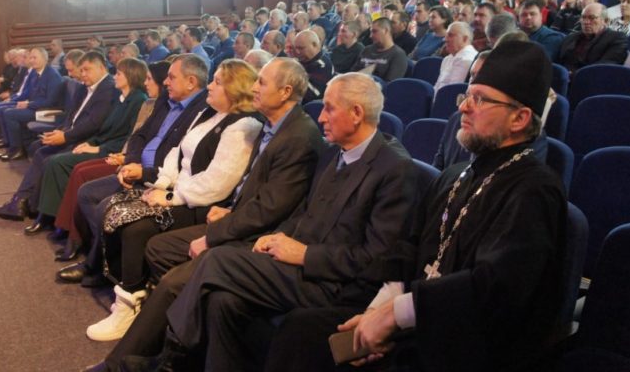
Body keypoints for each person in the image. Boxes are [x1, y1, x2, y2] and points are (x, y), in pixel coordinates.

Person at [267, 41, 567, 372]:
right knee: (301, 331)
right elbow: (408, 248)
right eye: (466, 96)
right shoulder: (455, 175)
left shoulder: (534, 189)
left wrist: (395, 315)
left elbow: (495, 289)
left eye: (480, 99)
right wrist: (378, 312)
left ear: (519, 118)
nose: (464, 108)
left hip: (463, 342)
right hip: (416, 320)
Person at [122, 72, 419, 372]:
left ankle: (171, 360)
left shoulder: (395, 168)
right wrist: (278, 237)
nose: (321, 118)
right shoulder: (334, 153)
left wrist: (305, 254)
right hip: (299, 266)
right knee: (223, 300)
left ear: (356, 113)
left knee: (216, 260)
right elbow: (305, 212)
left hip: (335, 283)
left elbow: (377, 259)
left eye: (329, 109)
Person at [82, 58, 326, 370]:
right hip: (235, 216)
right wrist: (228, 209)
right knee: (158, 248)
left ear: (285, 91)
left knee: (173, 279)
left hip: (260, 236)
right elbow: (252, 190)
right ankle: (172, 340)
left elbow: (269, 210)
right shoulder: (273, 125)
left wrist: (214, 234)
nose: (254, 87)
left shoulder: (298, 137)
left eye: (262, 82)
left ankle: (128, 363)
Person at [86, 59, 263, 342]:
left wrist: (170, 197)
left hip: (201, 205)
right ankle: (131, 287)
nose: (209, 85)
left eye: (217, 82)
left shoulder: (244, 125)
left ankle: (129, 304)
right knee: (114, 207)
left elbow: (217, 184)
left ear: (235, 89)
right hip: (179, 191)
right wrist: (160, 182)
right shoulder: (210, 112)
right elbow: (176, 155)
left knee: (135, 226)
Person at [55, 54, 208, 287]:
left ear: (191, 82)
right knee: (87, 192)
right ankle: (109, 258)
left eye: (171, 77)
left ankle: (97, 264)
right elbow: (139, 135)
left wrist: (144, 172)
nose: (165, 82)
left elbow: (179, 159)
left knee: (105, 205)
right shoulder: (167, 100)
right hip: (137, 167)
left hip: (159, 177)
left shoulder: (202, 110)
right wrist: (131, 162)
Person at [50, 62, 170, 262]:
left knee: (81, 173)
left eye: (119, 73)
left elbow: (131, 138)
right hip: (123, 154)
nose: (114, 77)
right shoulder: (143, 102)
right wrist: (97, 145)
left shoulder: (142, 101)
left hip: (130, 160)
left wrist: (119, 155)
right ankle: (72, 232)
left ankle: (80, 239)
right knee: (78, 169)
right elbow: (132, 136)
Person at [0, 51, 117, 221]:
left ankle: (26, 204)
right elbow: (72, 115)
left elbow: (94, 124)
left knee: (46, 155)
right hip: (74, 134)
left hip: (88, 141)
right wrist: (61, 130)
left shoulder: (108, 89)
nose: (82, 74)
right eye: (81, 70)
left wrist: (65, 136)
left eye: (87, 70)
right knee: (39, 148)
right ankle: (23, 202)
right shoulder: (84, 87)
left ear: (102, 68)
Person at [28, 58, 149, 236]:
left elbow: (126, 138)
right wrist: (90, 143)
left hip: (113, 152)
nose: (114, 76)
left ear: (131, 76)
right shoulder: (121, 98)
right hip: (102, 145)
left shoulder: (138, 100)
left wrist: (98, 149)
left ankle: (53, 219)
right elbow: (104, 130)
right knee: (53, 159)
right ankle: (49, 216)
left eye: (118, 73)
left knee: (58, 162)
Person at [0, 47, 65, 161]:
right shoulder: (36, 73)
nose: (32, 60)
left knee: (10, 114)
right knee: (5, 110)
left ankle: (17, 150)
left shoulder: (52, 75)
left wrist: (28, 104)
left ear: (45, 59)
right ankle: (14, 146)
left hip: (47, 111)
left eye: (35, 58)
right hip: (36, 107)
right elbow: (31, 94)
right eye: (31, 58)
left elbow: (51, 101)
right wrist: (23, 102)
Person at [560, 3, 627, 73]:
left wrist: (574, 74)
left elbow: (606, 66)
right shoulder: (570, 38)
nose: (586, 22)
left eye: (592, 18)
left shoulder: (616, 39)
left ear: (606, 21)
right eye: (583, 17)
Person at [351, 18, 408, 82]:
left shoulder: (398, 55)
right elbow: (353, 74)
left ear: (386, 31)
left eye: (374, 31)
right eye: (371, 32)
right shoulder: (366, 50)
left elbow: (390, 84)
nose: (370, 36)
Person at [434, 22, 478, 93]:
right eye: (446, 35)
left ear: (464, 39)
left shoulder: (466, 60)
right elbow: (437, 86)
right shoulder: (448, 58)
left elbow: (452, 91)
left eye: (450, 35)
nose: (445, 39)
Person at [293, 30, 334, 103]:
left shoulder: (323, 65)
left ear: (314, 45)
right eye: (296, 48)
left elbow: (314, 93)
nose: (297, 52)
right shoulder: (305, 59)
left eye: (301, 48)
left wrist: (291, 75)